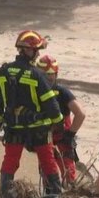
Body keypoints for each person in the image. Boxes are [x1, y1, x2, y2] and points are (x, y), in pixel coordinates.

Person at [0, 30, 64, 198]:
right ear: (28, 51)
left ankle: (5, 197)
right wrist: (59, 123)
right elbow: (50, 103)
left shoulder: (2, 72)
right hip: (39, 128)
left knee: (10, 162)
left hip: (14, 127)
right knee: (47, 162)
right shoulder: (37, 74)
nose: (38, 54)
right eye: (36, 50)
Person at [35, 53, 86, 185]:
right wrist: (70, 134)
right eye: (46, 74)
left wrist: (69, 135)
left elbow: (80, 114)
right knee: (55, 178)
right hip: (49, 141)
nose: (49, 77)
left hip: (55, 141)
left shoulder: (59, 92)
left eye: (50, 74)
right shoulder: (60, 92)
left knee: (59, 178)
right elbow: (80, 114)